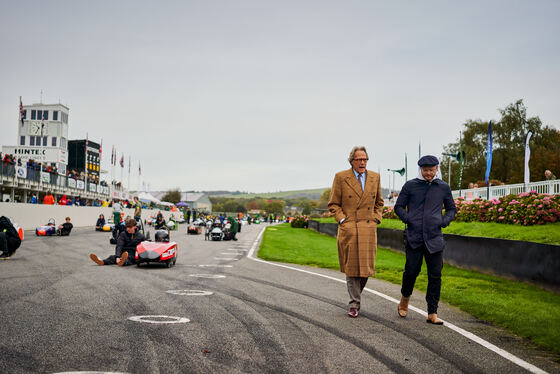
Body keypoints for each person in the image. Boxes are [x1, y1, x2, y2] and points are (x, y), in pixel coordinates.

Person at [394, 155, 457, 325]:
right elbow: (398, 207)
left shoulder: (443, 187)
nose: (428, 173)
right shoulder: (410, 185)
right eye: (425, 170)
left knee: (435, 275)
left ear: (437, 169)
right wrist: (409, 219)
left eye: (431, 170)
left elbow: (452, 209)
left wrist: (444, 221)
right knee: (411, 272)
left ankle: (432, 312)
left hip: (435, 239)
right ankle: (404, 300)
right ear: (420, 169)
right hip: (414, 237)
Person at [327, 146, 384, 318]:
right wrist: (343, 220)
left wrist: (376, 218)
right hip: (350, 228)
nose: (362, 162)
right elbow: (333, 204)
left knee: (365, 270)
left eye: (365, 159)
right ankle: (354, 304)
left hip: (368, 228)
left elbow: (379, 202)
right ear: (352, 161)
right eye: (359, 159)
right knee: (352, 269)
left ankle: (355, 297)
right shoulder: (341, 177)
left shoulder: (375, 177)